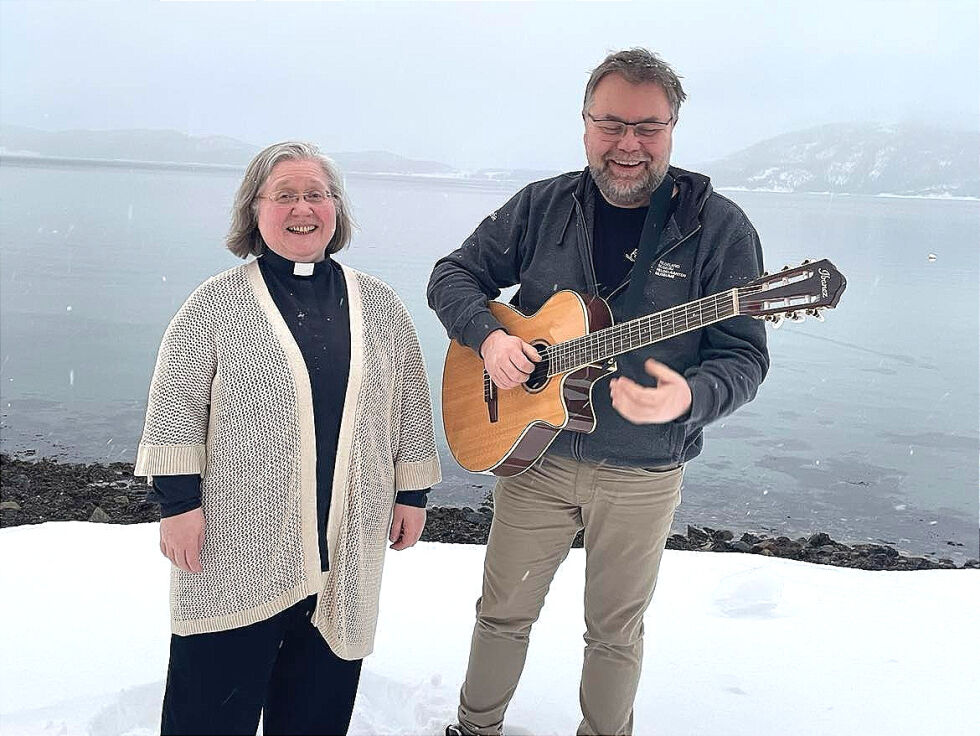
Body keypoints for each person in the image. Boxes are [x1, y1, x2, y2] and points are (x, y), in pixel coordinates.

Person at [428, 49, 769, 736]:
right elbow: (453, 275)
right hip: (535, 457)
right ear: (585, 124)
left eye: (648, 127)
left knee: (614, 633)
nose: (628, 144)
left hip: (643, 470)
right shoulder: (542, 205)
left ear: (672, 128)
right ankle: (474, 729)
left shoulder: (719, 229)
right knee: (502, 613)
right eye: (611, 124)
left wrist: (690, 397)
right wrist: (490, 340)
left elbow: (743, 358)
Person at [136, 141, 441, 735]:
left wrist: (412, 494)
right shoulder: (215, 304)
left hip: (347, 543)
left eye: (317, 195)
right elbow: (175, 409)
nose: (303, 209)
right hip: (237, 545)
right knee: (209, 710)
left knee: (314, 714)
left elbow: (408, 399)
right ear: (255, 210)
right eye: (285, 196)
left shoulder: (378, 304)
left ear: (336, 209)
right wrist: (178, 506)